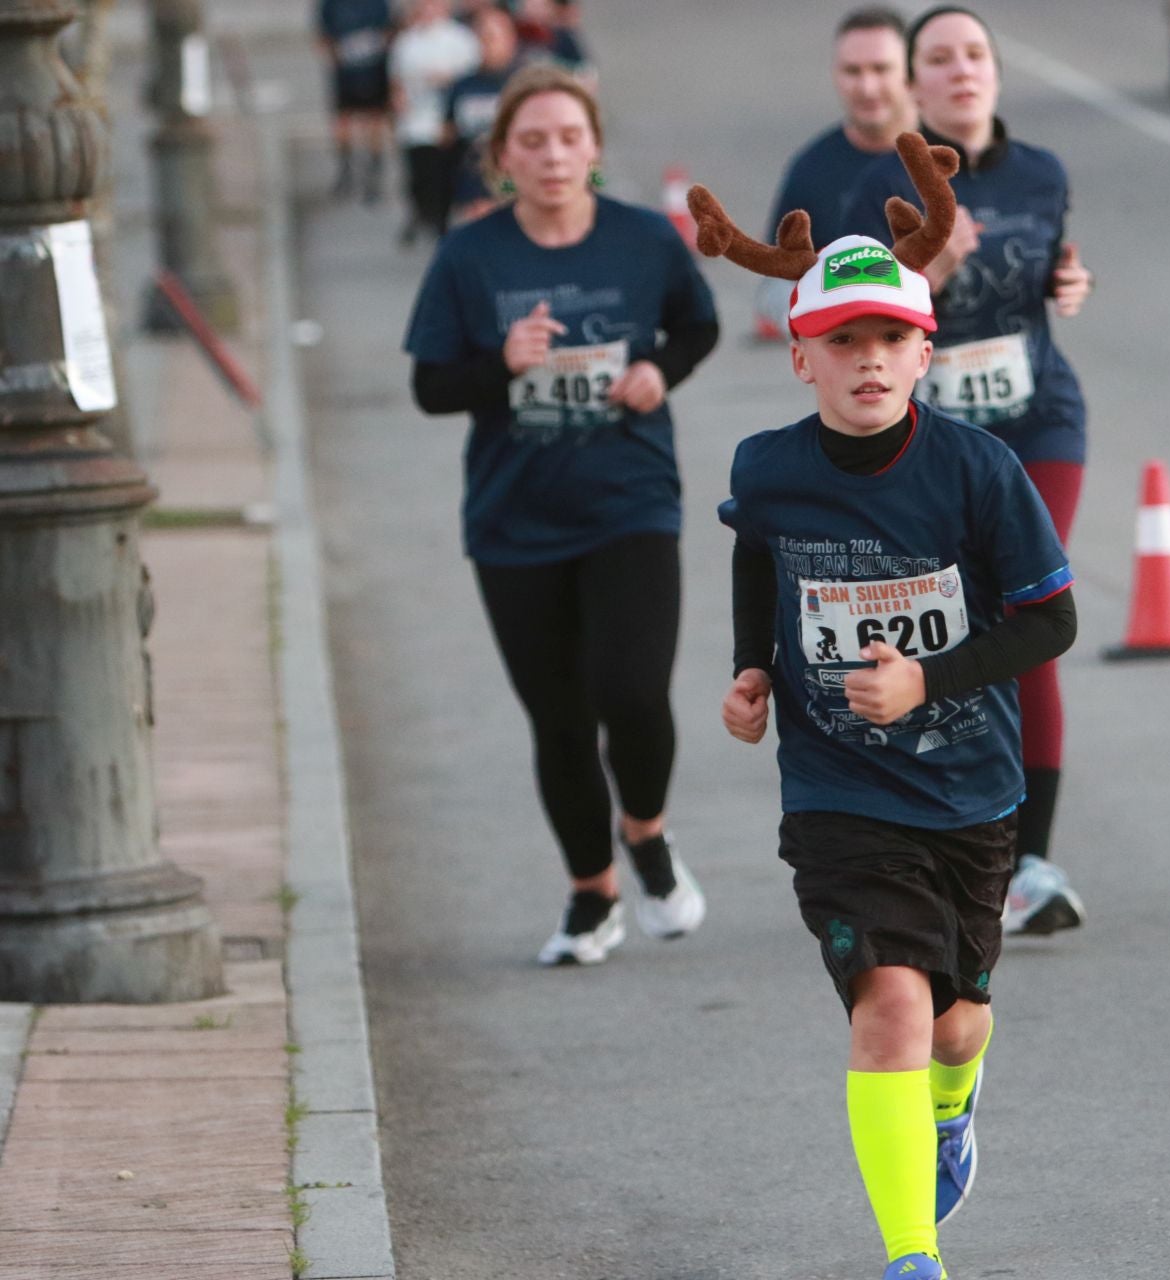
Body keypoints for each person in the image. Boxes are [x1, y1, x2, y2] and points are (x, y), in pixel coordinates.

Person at [693, 136, 1076, 1280]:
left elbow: (1048, 624)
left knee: (956, 1024)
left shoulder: (976, 472)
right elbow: (757, 556)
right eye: (841, 341)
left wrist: (928, 675)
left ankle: (954, 1104)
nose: (868, 361)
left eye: (889, 340)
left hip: (969, 786)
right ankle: (913, 1255)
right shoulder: (768, 466)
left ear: (924, 350)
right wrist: (753, 664)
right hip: (837, 790)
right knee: (892, 1008)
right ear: (800, 357)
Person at [402, 64, 719, 966]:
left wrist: (662, 369)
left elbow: (695, 329)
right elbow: (429, 387)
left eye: (569, 138)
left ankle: (647, 835)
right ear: (502, 157)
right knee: (560, 719)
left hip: (631, 502)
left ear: (595, 150)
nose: (553, 155)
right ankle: (592, 894)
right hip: (516, 519)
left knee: (633, 691)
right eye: (532, 141)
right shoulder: (471, 256)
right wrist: (502, 362)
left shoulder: (646, 240)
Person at [842, 5, 1095, 936]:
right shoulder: (879, 183)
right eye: (939, 59)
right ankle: (945, 835)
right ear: (914, 84)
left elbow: (1052, 273)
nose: (961, 71)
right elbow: (857, 325)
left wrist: (1074, 282)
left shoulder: (1041, 172)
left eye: (975, 55)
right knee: (955, 622)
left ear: (996, 71)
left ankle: (1031, 859)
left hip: (1037, 418)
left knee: (1029, 612)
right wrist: (931, 278)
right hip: (932, 437)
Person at [750, 7, 916, 341]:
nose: (867, 87)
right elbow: (776, 284)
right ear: (834, 75)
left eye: (881, 69)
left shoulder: (950, 156)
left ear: (911, 72)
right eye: (853, 71)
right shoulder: (811, 171)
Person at [389, 0, 480, 244]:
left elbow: (473, 77)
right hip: (416, 120)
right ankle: (420, 213)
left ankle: (440, 223)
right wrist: (399, 101)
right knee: (420, 174)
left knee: (444, 175)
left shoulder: (460, 38)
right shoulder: (407, 41)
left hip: (446, 119)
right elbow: (396, 79)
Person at [441, 5, 520, 226]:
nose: (487, 43)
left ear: (510, 38)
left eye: (493, 36)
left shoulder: (525, 84)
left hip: (514, 184)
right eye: (482, 36)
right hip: (473, 183)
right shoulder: (463, 85)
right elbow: (448, 133)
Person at [316, 0, 395, 202]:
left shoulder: (378, 4)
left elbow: (389, 31)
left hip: (374, 70)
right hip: (346, 74)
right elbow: (323, 36)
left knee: (375, 120)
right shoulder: (332, 5)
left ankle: (373, 173)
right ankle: (346, 171)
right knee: (343, 120)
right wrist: (338, 59)